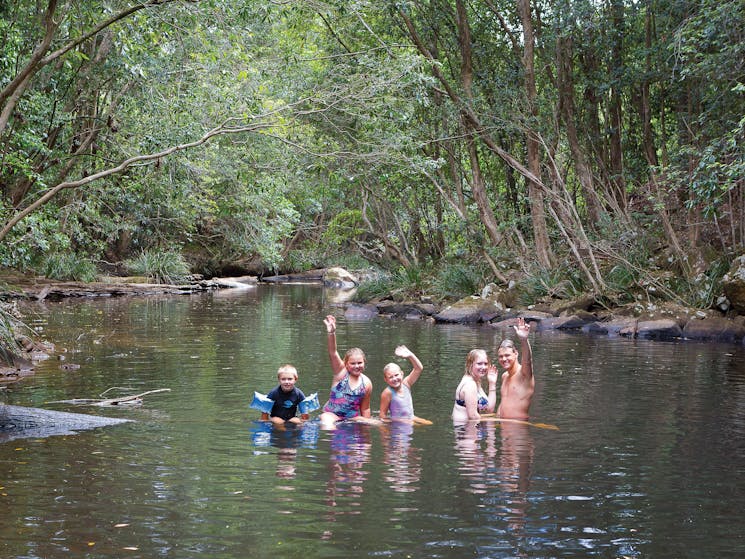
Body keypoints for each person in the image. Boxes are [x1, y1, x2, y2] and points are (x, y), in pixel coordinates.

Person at [318, 315, 374, 428]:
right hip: (332, 414)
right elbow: (333, 352)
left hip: (351, 418)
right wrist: (331, 333)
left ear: (364, 362)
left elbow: (365, 408)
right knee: (327, 423)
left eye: (360, 363)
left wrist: (365, 429)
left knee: (378, 424)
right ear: (346, 364)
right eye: (353, 363)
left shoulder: (366, 383)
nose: (356, 366)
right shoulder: (341, 372)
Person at [379, 345, 431, 425]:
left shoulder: (406, 384)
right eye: (391, 377)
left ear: (402, 374)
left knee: (429, 424)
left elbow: (418, 369)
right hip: (398, 423)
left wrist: (410, 355)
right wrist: (385, 434)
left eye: (396, 375)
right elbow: (382, 416)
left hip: (411, 418)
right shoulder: (387, 393)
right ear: (386, 380)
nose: (395, 379)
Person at [496, 317, 534, 420]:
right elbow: (504, 402)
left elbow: (528, 360)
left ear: (516, 353)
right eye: (501, 356)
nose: (504, 359)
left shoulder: (523, 374)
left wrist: (524, 340)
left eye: (507, 355)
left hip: (519, 429)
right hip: (504, 428)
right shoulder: (504, 376)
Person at [452, 348, 498, 422]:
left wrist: (492, 383)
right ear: (470, 364)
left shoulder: (476, 381)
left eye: (486, 364)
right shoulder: (470, 384)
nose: (483, 367)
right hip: (465, 428)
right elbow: (473, 416)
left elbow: (489, 409)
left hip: (471, 427)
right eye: (479, 364)